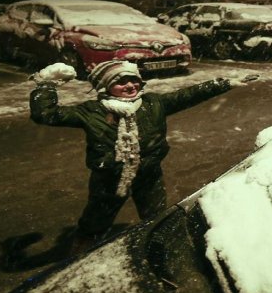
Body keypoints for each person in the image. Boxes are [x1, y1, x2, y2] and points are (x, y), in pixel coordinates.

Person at [29, 60, 233, 254]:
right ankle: (79, 258)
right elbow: (47, 114)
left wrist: (224, 83)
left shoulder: (152, 103)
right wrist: (46, 84)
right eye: (120, 81)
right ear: (105, 86)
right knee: (94, 223)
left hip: (149, 174)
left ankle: (161, 251)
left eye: (133, 79)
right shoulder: (92, 111)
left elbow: (189, 95)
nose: (130, 85)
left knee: (158, 219)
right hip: (109, 179)